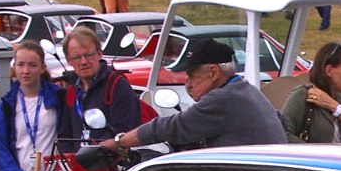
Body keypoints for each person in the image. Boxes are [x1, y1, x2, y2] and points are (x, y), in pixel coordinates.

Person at [101, 38, 286, 154]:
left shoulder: (222, 100)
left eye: (191, 76)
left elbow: (170, 127)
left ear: (213, 73)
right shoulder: (247, 91)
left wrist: (119, 142)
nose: (187, 84)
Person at [0, 40, 70, 171]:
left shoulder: (58, 98)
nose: (26, 71)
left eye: (32, 65)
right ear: (15, 67)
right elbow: (2, 151)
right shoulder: (5, 106)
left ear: (42, 68)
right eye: (21, 65)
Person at [282, 41, 341, 144]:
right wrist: (315, 156)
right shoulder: (303, 96)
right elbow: (282, 133)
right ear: (329, 70)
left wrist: (336, 108)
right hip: (315, 159)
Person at [62, 26, 140, 138]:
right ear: (69, 61)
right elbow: (65, 133)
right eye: (77, 57)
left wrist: (94, 152)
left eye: (88, 55)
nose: (83, 62)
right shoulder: (71, 89)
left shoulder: (116, 84)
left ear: (99, 54)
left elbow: (123, 130)